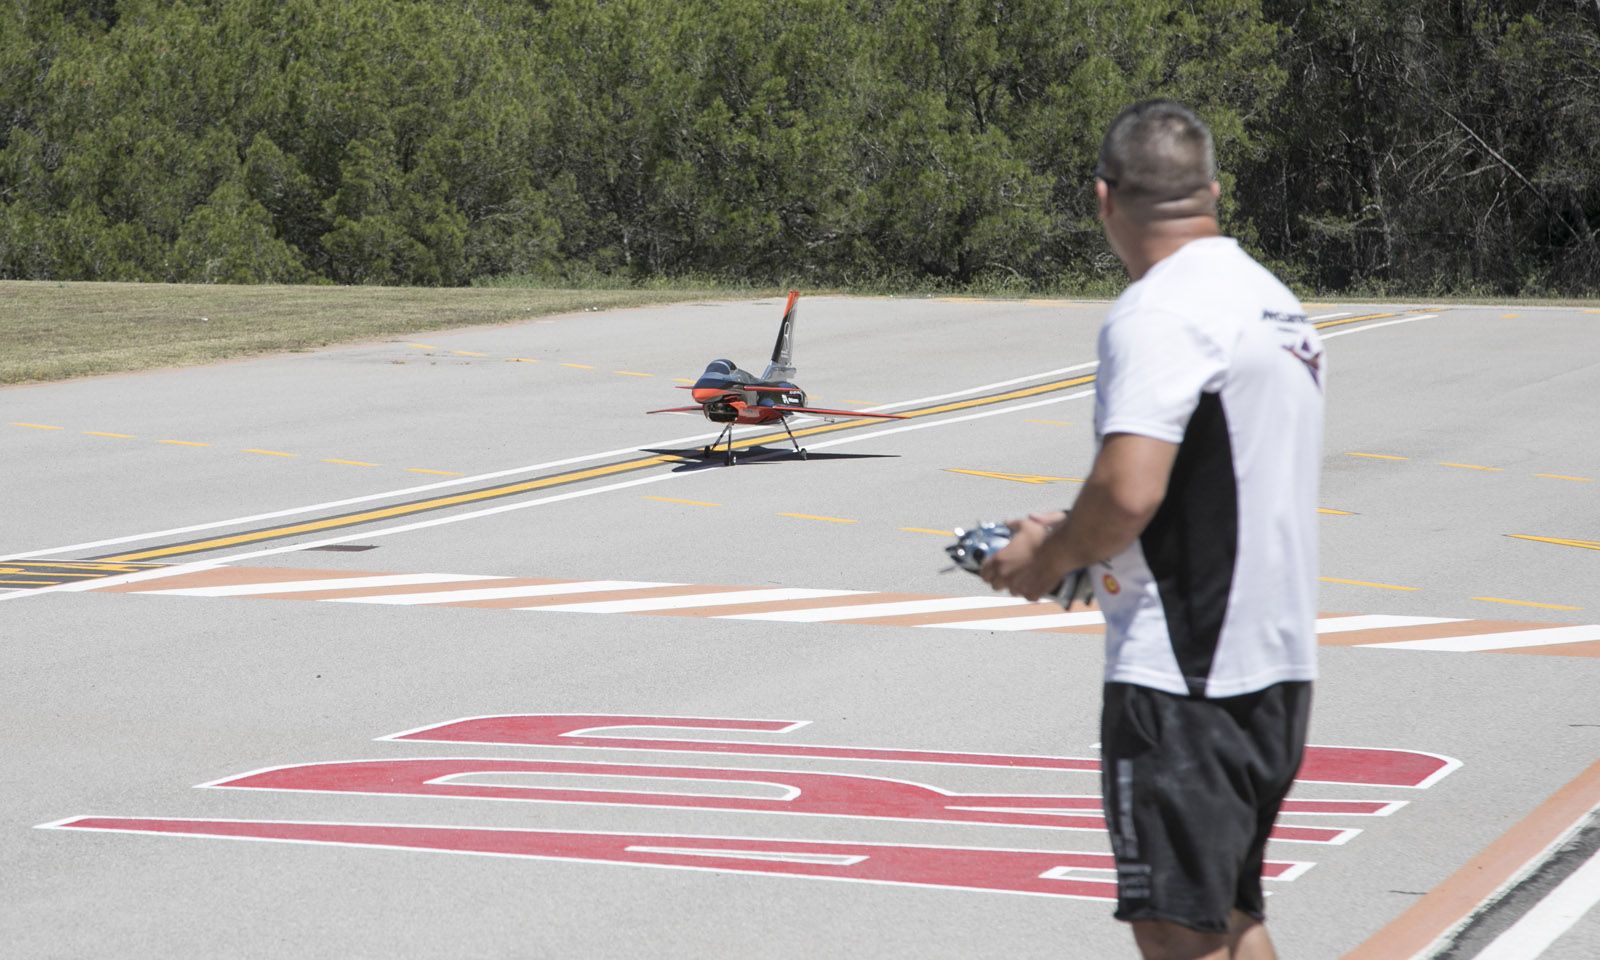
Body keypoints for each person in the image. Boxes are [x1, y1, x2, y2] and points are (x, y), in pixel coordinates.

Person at [981, 100, 1325, 960]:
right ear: (1212, 191)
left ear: (1104, 198)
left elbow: (1129, 493)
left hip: (1184, 676)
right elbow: (1208, 487)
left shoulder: (1158, 310)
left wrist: (1044, 557)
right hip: (1273, 664)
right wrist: (1087, 526)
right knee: (1228, 915)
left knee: (1175, 927)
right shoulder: (1269, 300)